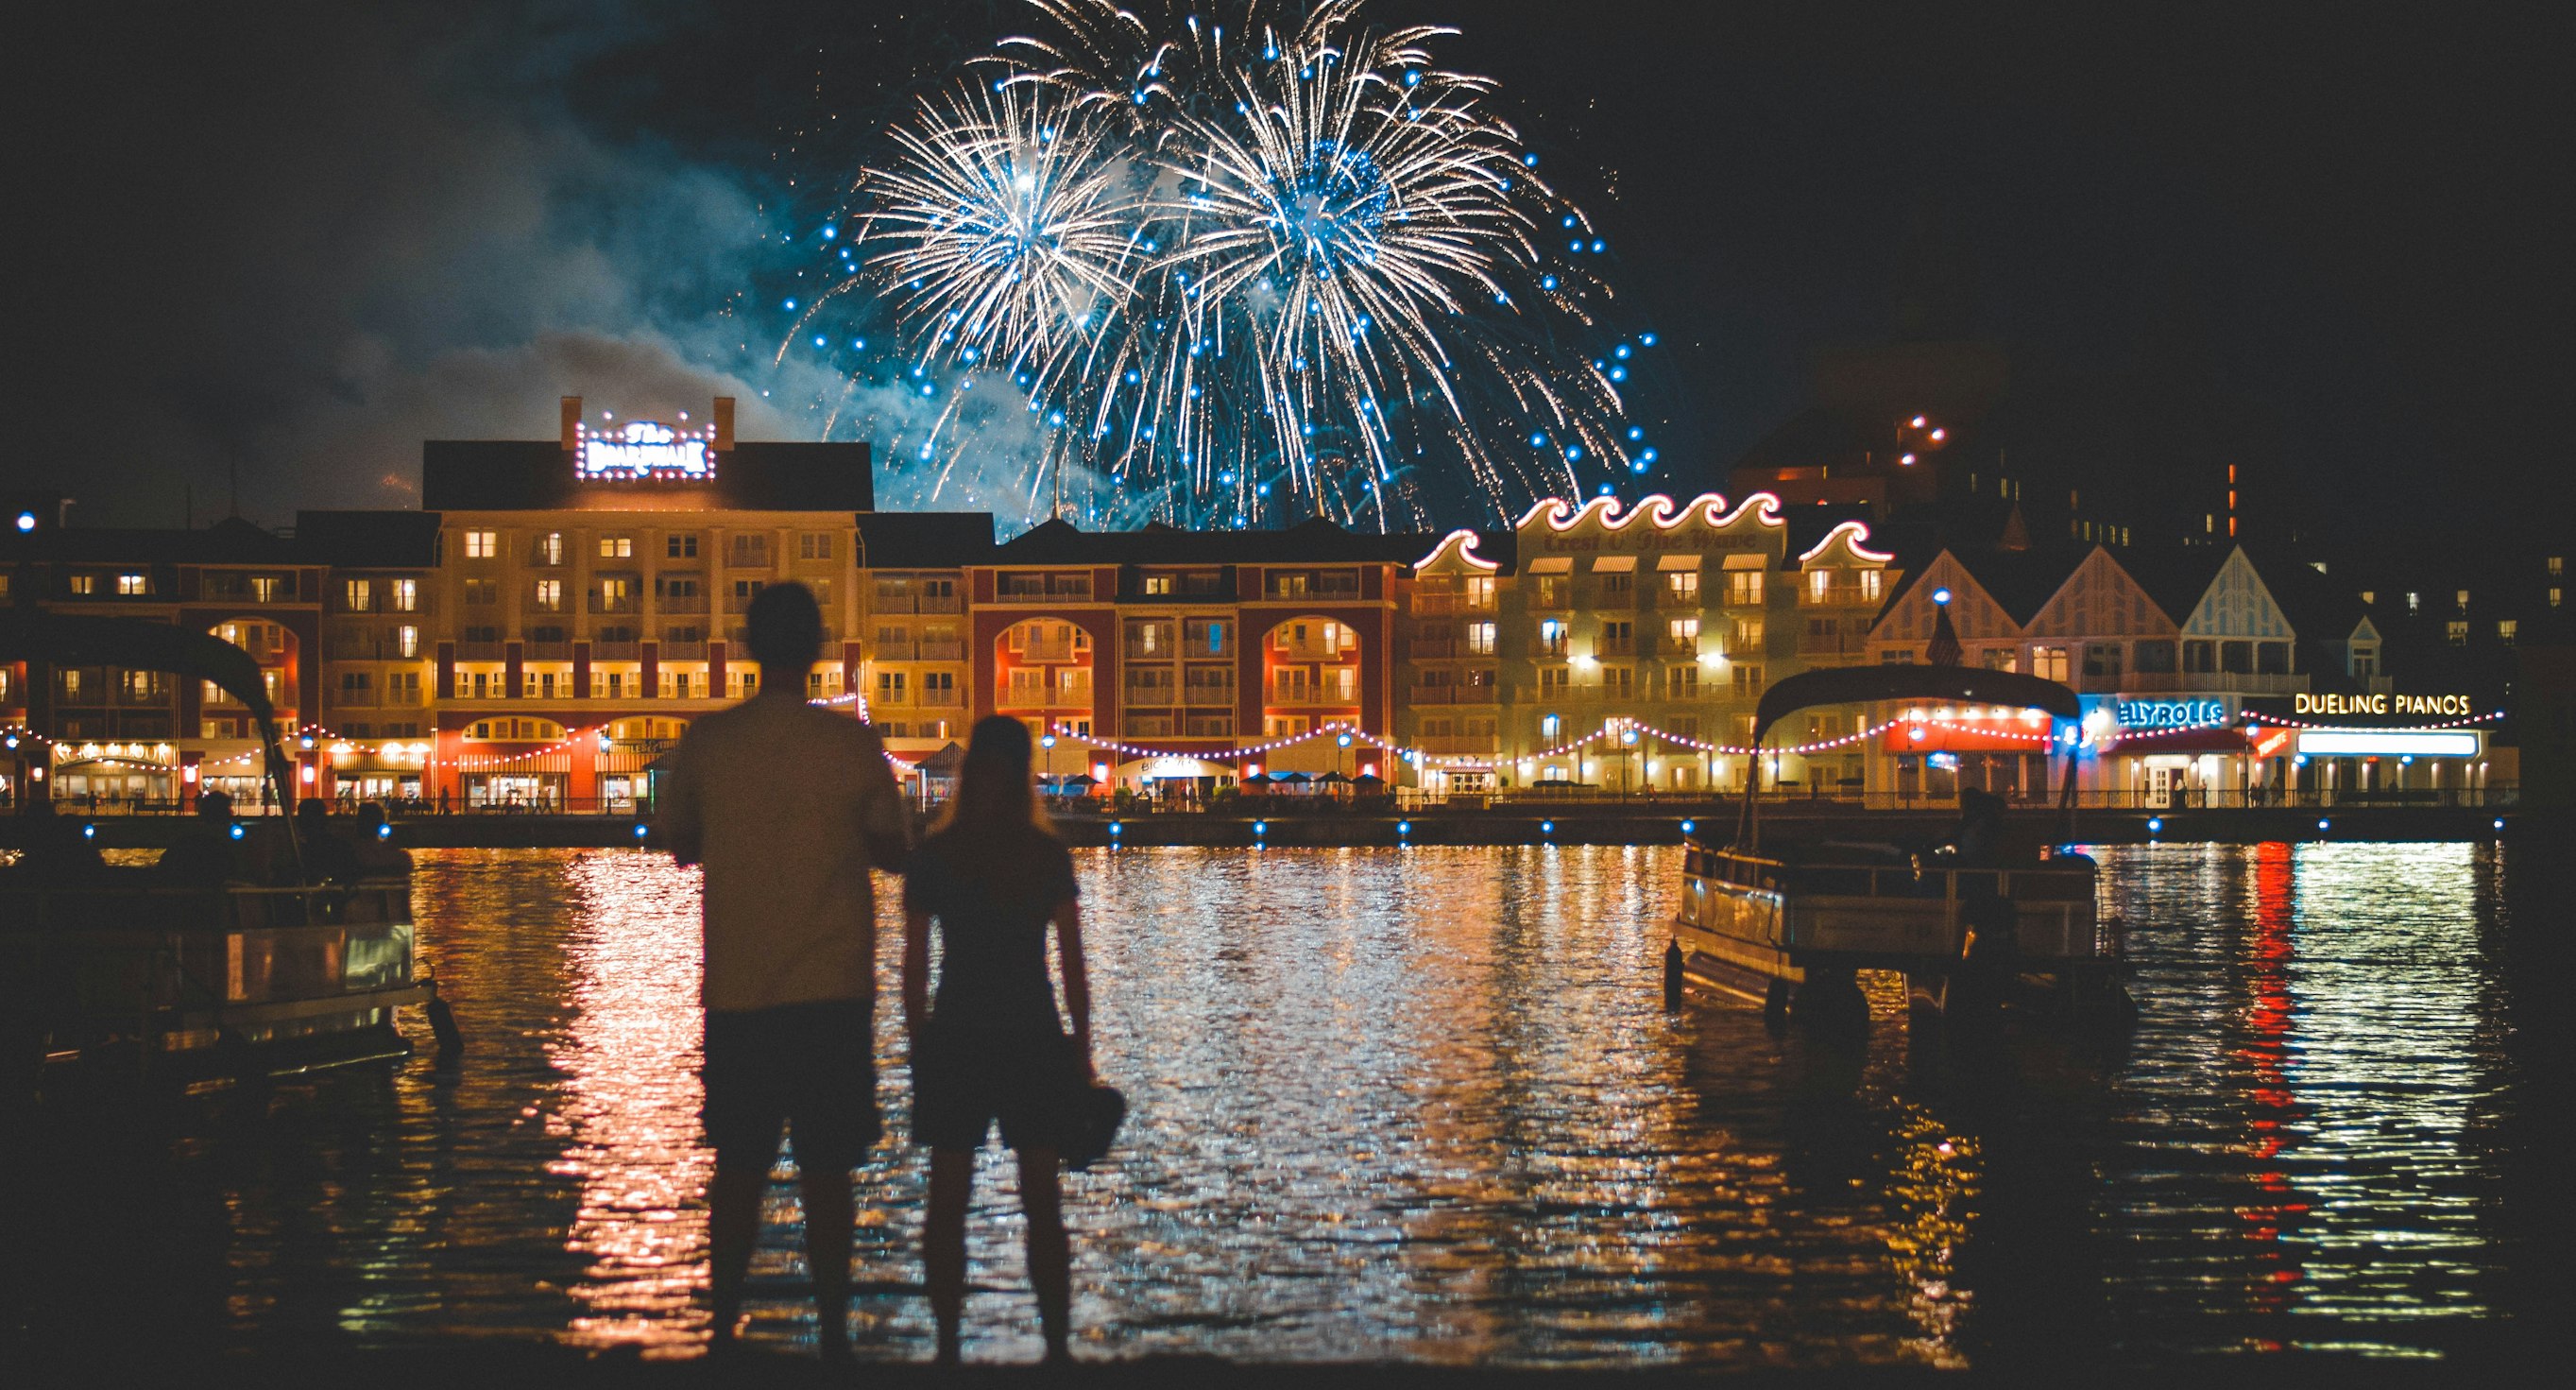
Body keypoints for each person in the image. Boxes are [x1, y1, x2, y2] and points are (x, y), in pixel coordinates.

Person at [659, 581, 909, 1361]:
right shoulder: (851, 747)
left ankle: (723, 1330)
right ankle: (834, 1333)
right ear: (817, 651)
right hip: (832, 989)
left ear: (747, 647)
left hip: (739, 990)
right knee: (829, 1169)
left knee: (738, 1164)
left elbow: (677, 841)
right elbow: (896, 848)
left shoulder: (708, 743)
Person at [903, 715, 1093, 1366]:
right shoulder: (1044, 855)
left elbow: (913, 962)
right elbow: (1070, 962)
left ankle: (949, 1347)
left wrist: (917, 1039)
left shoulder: (937, 852)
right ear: (1025, 773)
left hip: (955, 1028)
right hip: (1031, 1031)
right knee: (1042, 1199)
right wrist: (1082, 1048)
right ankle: (1057, 1347)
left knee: (946, 1198)